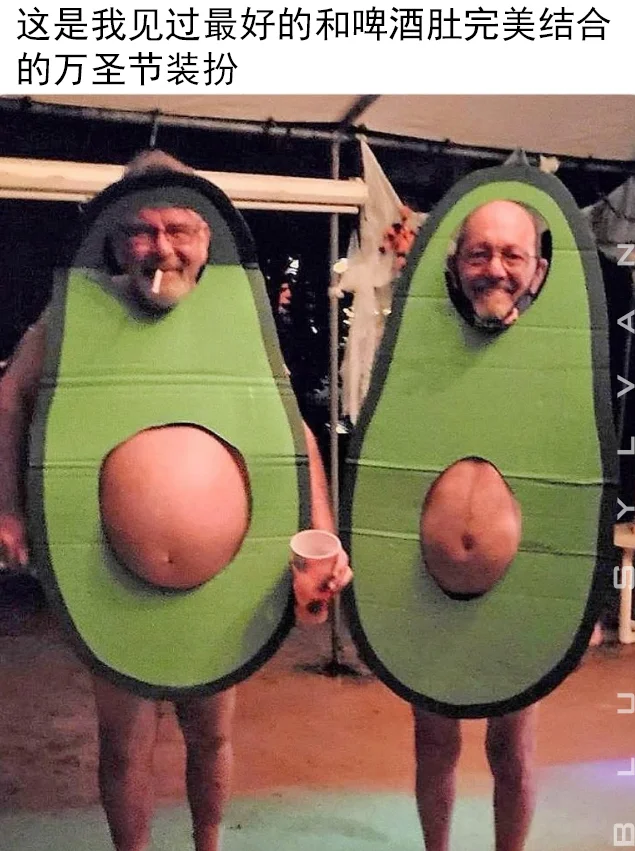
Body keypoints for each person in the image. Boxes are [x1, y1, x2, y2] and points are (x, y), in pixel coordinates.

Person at [0, 149, 351, 851]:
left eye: (179, 230)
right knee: (124, 743)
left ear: (206, 238)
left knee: (210, 734)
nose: (161, 247)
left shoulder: (236, 318)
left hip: (223, 584)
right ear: (114, 238)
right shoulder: (75, 312)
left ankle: (208, 843)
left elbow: (290, 430)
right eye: (142, 230)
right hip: (109, 580)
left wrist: (321, 531)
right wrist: (8, 506)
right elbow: (9, 397)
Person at [410, 200, 550, 851]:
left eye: (512, 254)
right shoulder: (419, 354)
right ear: (455, 265)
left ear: (538, 270)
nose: (494, 268)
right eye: (478, 253)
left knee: (511, 746)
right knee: (434, 742)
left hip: (520, 589)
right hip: (425, 586)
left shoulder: (557, 364)